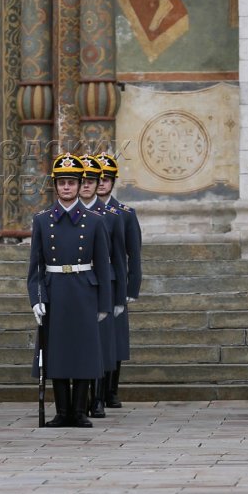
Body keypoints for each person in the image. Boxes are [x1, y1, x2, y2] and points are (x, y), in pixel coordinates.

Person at [27, 153, 112, 428]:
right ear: (55, 185)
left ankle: (79, 411)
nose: (67, 187)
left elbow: (103, 266)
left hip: (84, 290)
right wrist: (36, 299)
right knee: (58, 352)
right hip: (55, 290)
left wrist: (104, 305)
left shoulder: (95, 221)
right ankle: (62, 411)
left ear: (79, 186)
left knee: (84, 352)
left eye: (72, 182)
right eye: (62, 182)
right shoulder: (42, 221)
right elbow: (36, 267)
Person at [78, 155, 127, 418]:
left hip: (103, 284)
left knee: (101, 346)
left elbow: (120, 259)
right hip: (77, 283)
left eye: (91, 181)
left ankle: (97, 397)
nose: (86, 186)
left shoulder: (112, 216)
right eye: (81, 181)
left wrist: (120, 297)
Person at [95, 151, 142, 408]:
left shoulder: (124, 213)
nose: (102, 183)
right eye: (98, 178)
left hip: (115, 281)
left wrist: (131, 287)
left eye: (107, 178)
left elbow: (133, 254)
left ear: (114, 181)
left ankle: (112, 389)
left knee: (116, 338)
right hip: (94, 281)